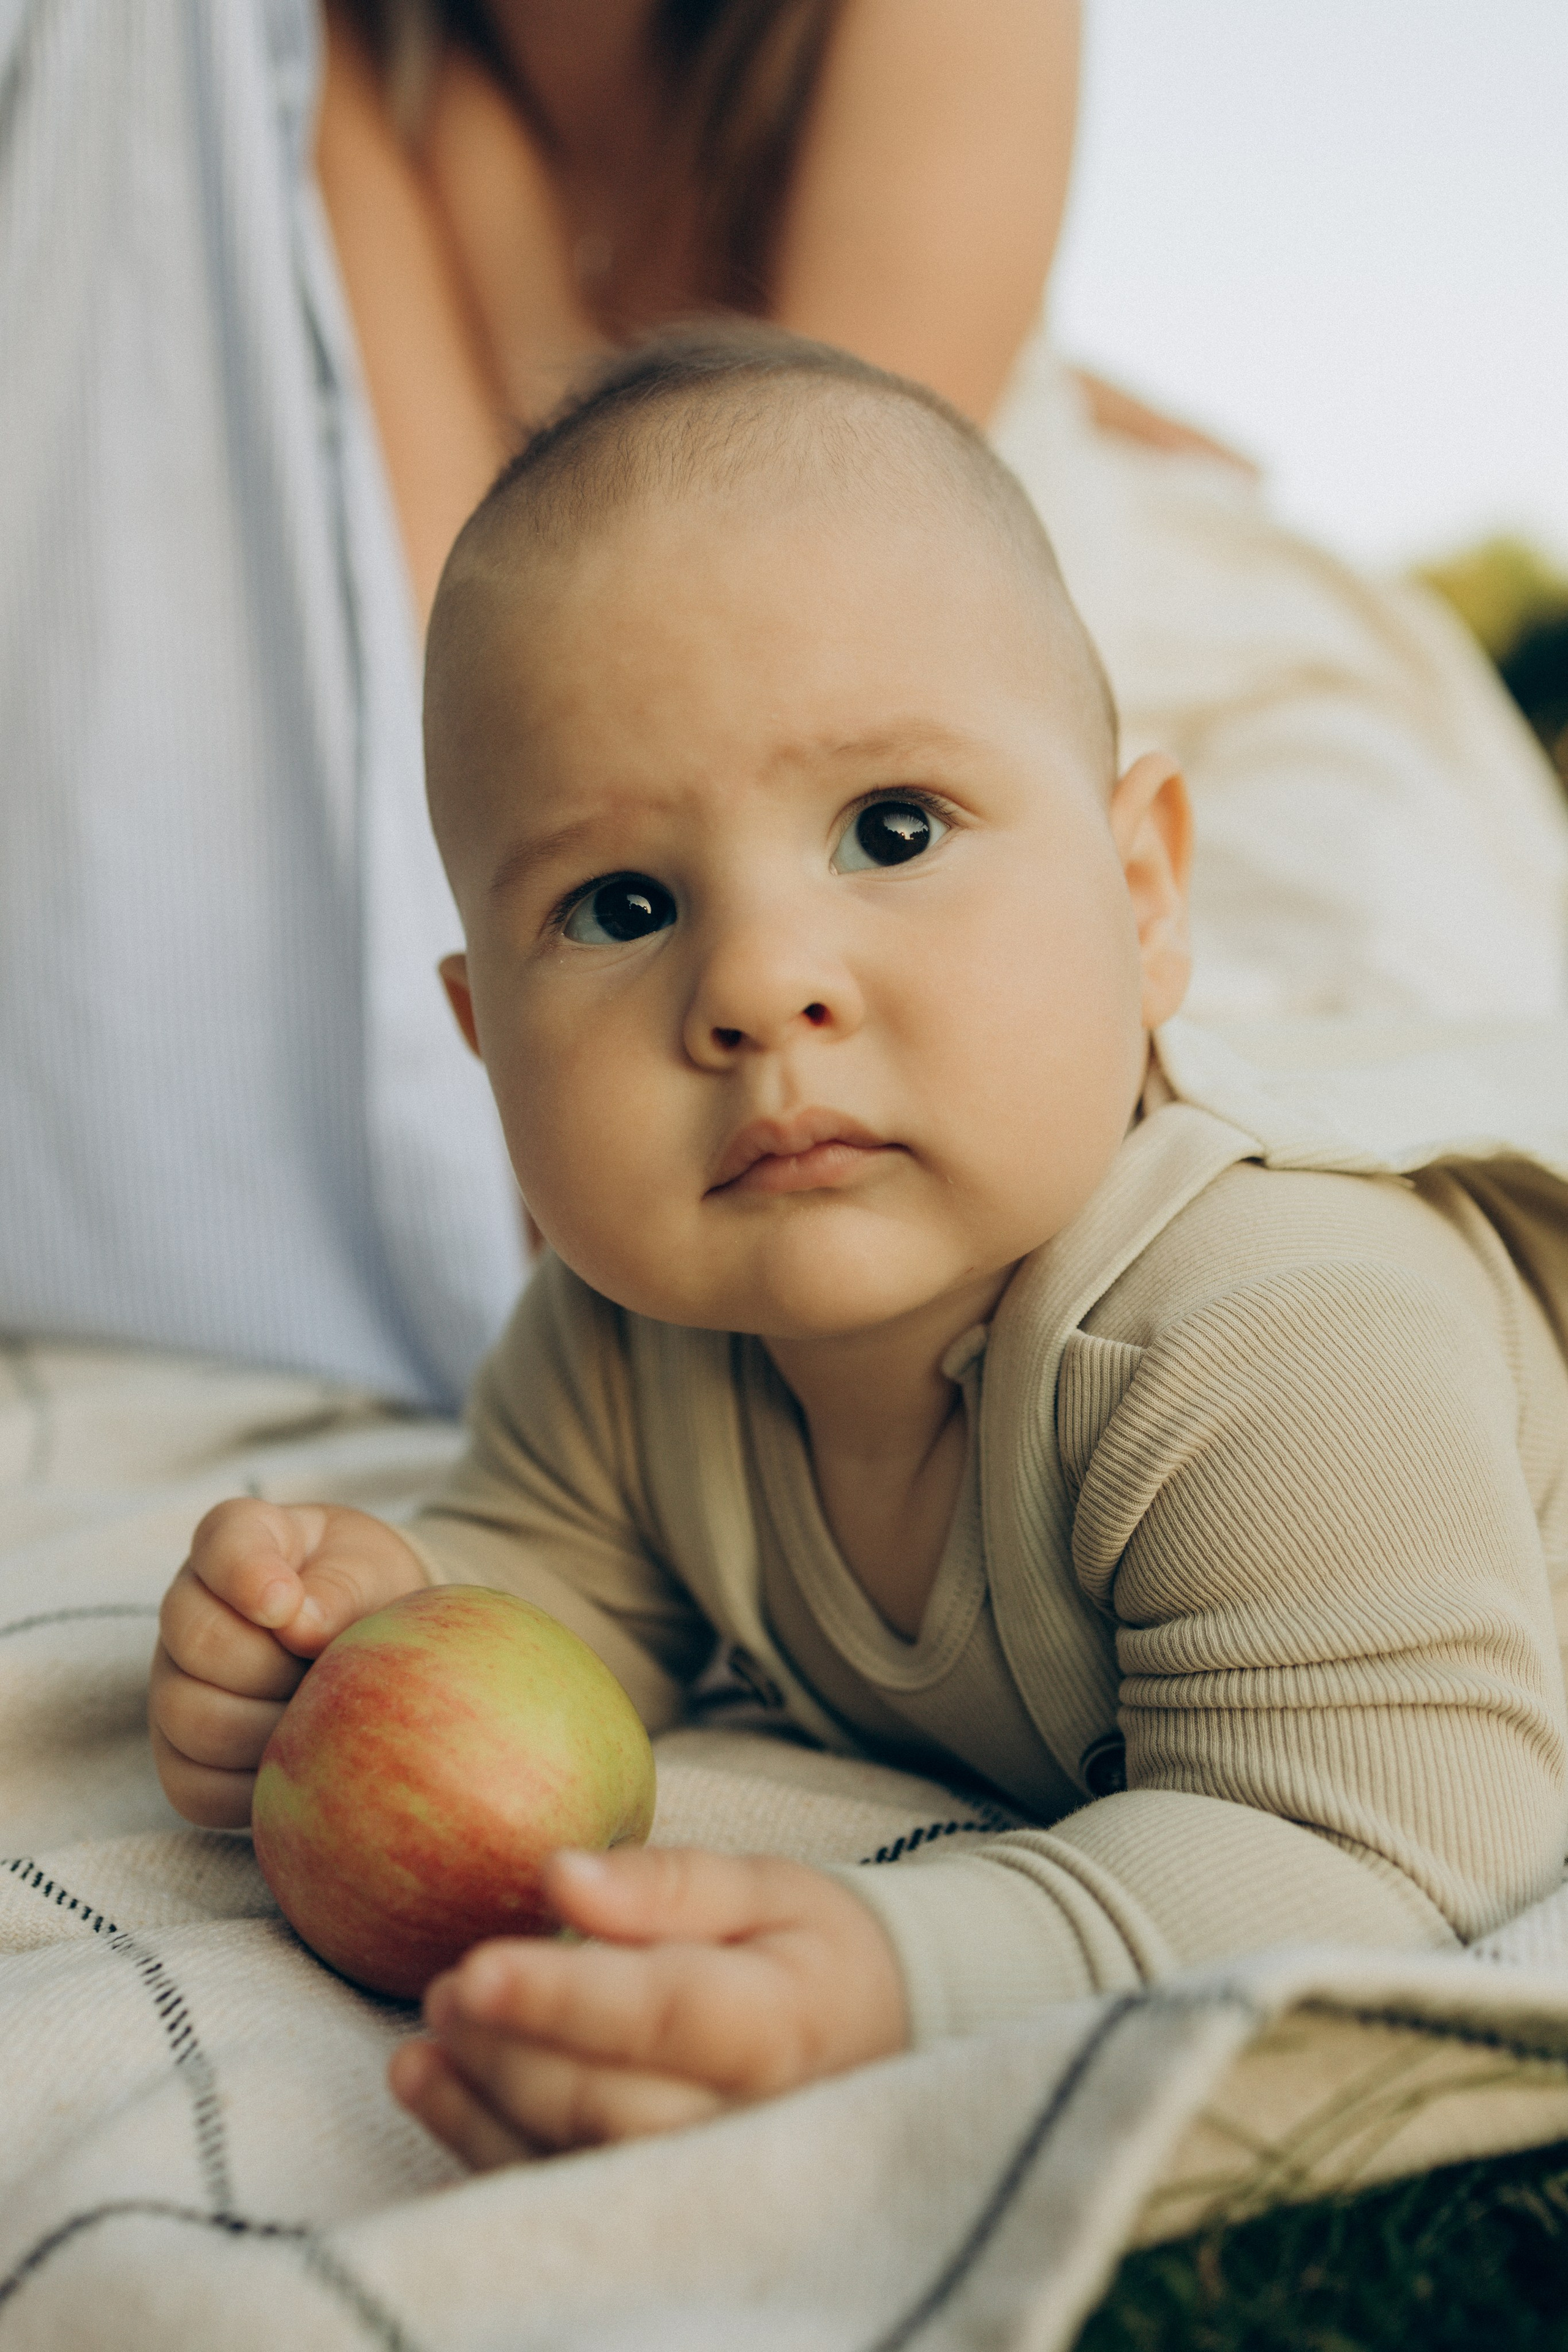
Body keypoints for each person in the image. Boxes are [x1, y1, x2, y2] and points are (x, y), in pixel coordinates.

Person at [149, 332, 1568, 2166]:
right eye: (621, 906)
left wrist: (903, 1969)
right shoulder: (619, 1346)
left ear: (1143, 903)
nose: (754, 984)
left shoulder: (1273, 1323)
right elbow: (559, 1605)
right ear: (485, 1041)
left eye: (891, 830)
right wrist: (349, 1633)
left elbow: (1379, 1836)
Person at [4, 0, 1566, 1415]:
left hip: (1030, 640)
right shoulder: (351, 71)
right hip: (692, 731)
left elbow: (817, 571)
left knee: (1257, 1169)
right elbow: (467, 622)